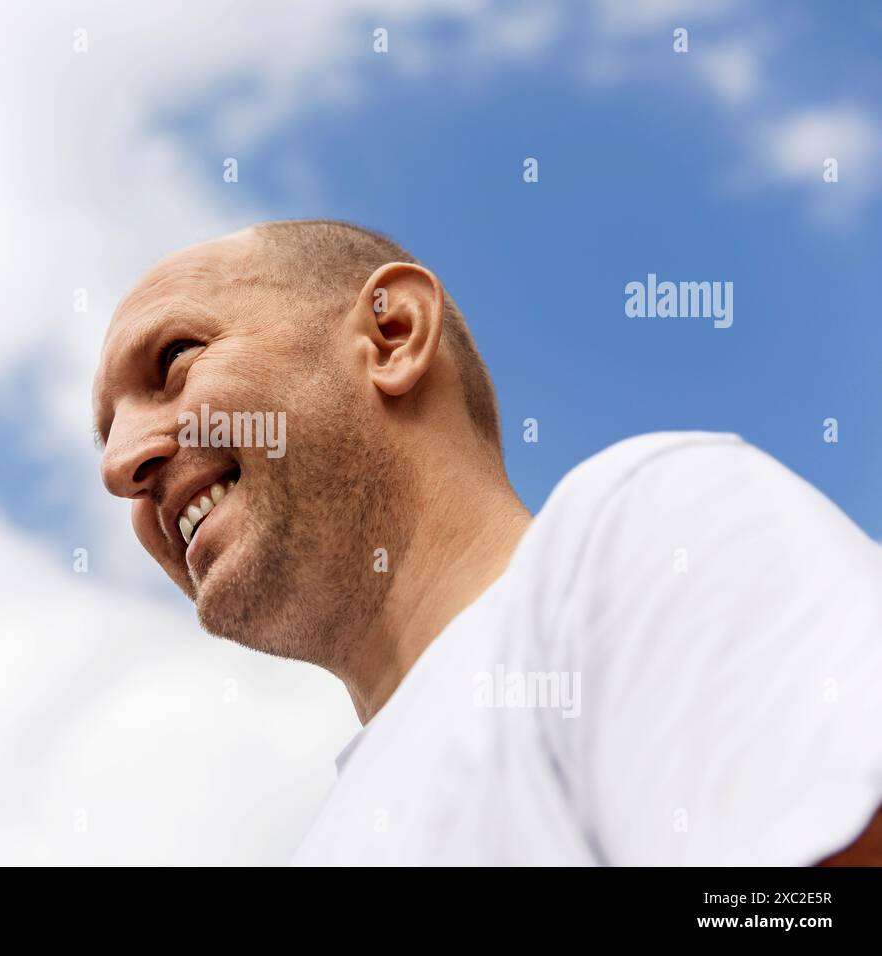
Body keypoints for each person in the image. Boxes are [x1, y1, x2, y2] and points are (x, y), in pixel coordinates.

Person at [91, 218, 882, 865]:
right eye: (106, 436)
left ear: (393, 333)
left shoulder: (646, 528)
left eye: (175, 358)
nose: (122, 465)